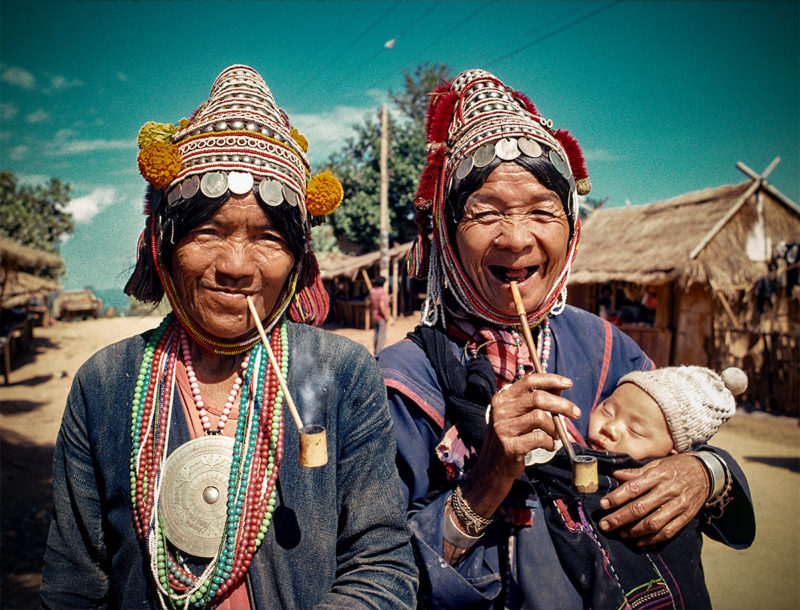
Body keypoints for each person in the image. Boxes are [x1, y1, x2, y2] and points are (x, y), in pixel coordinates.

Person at [41, 65, 418, 609]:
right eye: (207, 232)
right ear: (164, 243)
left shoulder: (343, 374)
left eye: (267, 238)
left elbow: (382, 567)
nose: (236, 265)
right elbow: (73, 586)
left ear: (297, 258)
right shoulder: (102, 385)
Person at [378, 68, 755, 608]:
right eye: (486, 213)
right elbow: (379, 569)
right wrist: (487, 479)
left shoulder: (605, 347)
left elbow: (679, 439)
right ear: (444, 232)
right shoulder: (401, 382)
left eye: (541, 211)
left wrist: (704, 472)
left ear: (571, 228)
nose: (516, 238)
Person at [532, 365, 748, 609]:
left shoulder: (671, 492)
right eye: (607, 410)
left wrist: (708, 469)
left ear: (673, 455)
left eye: (635, 430)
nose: (610, 428)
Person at [369, 276, 391, 354]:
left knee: (376, 334)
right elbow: (382, 306)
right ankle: (378, 353)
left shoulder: (372, 291)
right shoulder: (382, 292)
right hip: (381, 316)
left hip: (374, 315)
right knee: (381, 336)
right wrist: (386, 316)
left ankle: (375, 351)